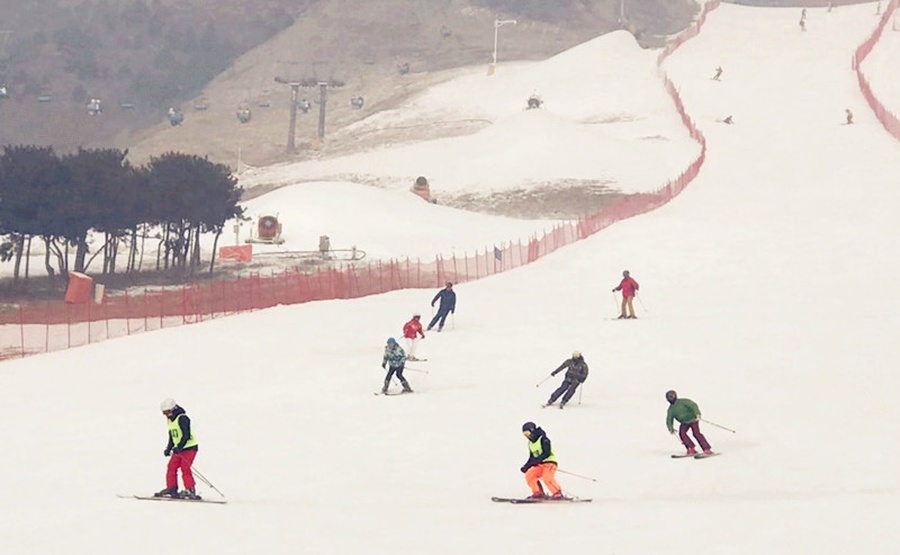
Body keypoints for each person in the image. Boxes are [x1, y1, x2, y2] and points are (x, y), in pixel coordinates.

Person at [155, 399, 200, 499]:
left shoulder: (183, 418)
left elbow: (186, 435)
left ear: (173, 409)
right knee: (171, 467)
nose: (165, 415)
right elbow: (172, 435)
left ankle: (190, 489)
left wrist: (179, 446)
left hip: (189, 447)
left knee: (185, 467)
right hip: (179, 448)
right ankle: (171, 488)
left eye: (167, 412)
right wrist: (169, 448)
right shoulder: (170, 420)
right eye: (164, 413)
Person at [520, 422, 565, 500]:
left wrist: (536, 461)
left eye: (528, 433)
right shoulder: (530, 443)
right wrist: (526, 466)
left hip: (549, 463)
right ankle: (537, 493)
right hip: (539, 465)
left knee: (547, 477)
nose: (527, 436)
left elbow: (546, 453)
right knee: (530, 475)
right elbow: (532, 457)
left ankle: (557, 493)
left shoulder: (544, 439)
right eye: (525, 434)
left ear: (532, 431)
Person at [665, 390, 712, 456]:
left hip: (693, 419)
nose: (671, 399)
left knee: (696, 433)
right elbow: (669, 419)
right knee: (682, 433)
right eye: (669, 398)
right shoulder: (671, 409)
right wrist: (670, 428)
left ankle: (706, 449)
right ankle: (691, 448)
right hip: (684, 422)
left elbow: (693, 405)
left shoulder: (683, 402)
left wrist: (697, 414)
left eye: (671, 397)